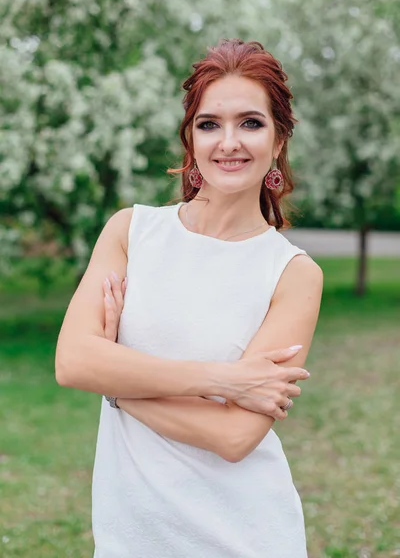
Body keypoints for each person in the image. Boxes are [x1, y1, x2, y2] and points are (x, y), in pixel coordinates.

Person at [55, 38, 323, 557]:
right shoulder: (131, 232)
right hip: (130, 538)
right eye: (209, 124)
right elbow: (71, 362)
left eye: (251, 122)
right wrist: (224, 379)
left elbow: (233, 438)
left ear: (279, 140)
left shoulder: (292, 272)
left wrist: (114, 382)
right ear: (190, 139)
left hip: (244, 537)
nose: (229, 142)